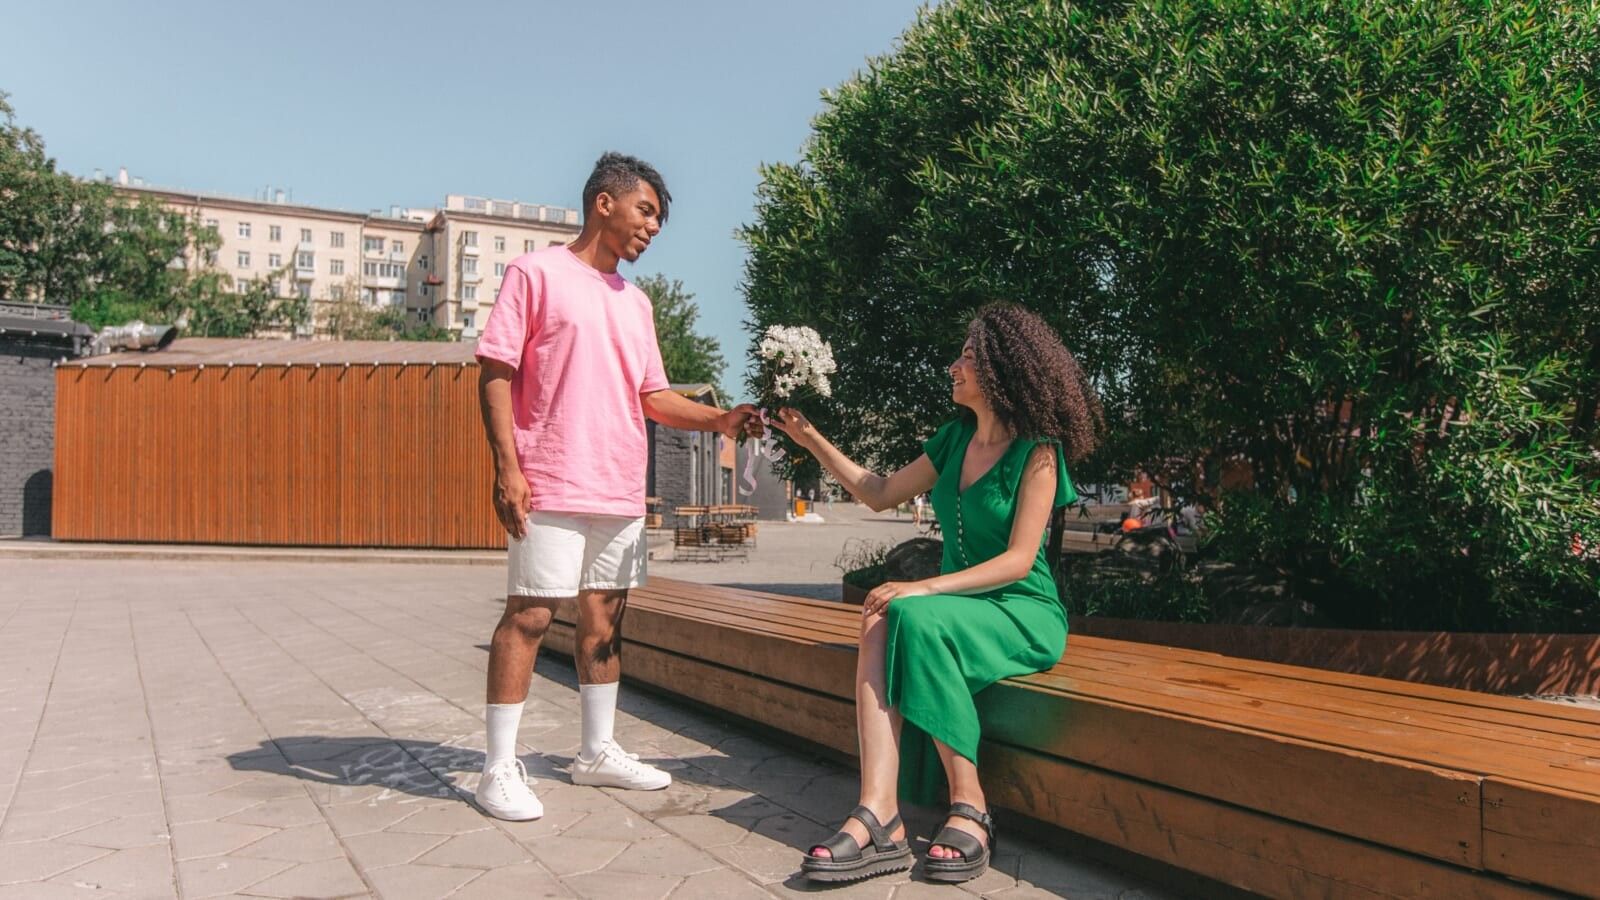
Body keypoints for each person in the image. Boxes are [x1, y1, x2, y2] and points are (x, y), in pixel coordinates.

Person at [472, 152, 760, 821]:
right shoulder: (535, 272)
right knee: (532, 614)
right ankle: (497, 768)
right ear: (605, 202)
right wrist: (507, 466)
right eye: (647, 211)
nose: (653, 227)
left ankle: (596, 753)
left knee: (604, 622)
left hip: (619, 487)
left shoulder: (636, 303)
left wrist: (720, 417)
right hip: (550, 479)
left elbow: (653, 395)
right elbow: (494, 370)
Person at [771, 303, 1102, 884]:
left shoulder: (1038, 453)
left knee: (912, 613)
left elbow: (1020, 561)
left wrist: (924, 586)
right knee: (879, 614)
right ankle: (879, 814)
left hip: (1021, 611)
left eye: (968, 357)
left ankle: (970, 805)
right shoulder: (954, 440)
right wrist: (810, 438)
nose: (954, 366)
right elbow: (877, 492)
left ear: (1000, 370)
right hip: (956, 610)